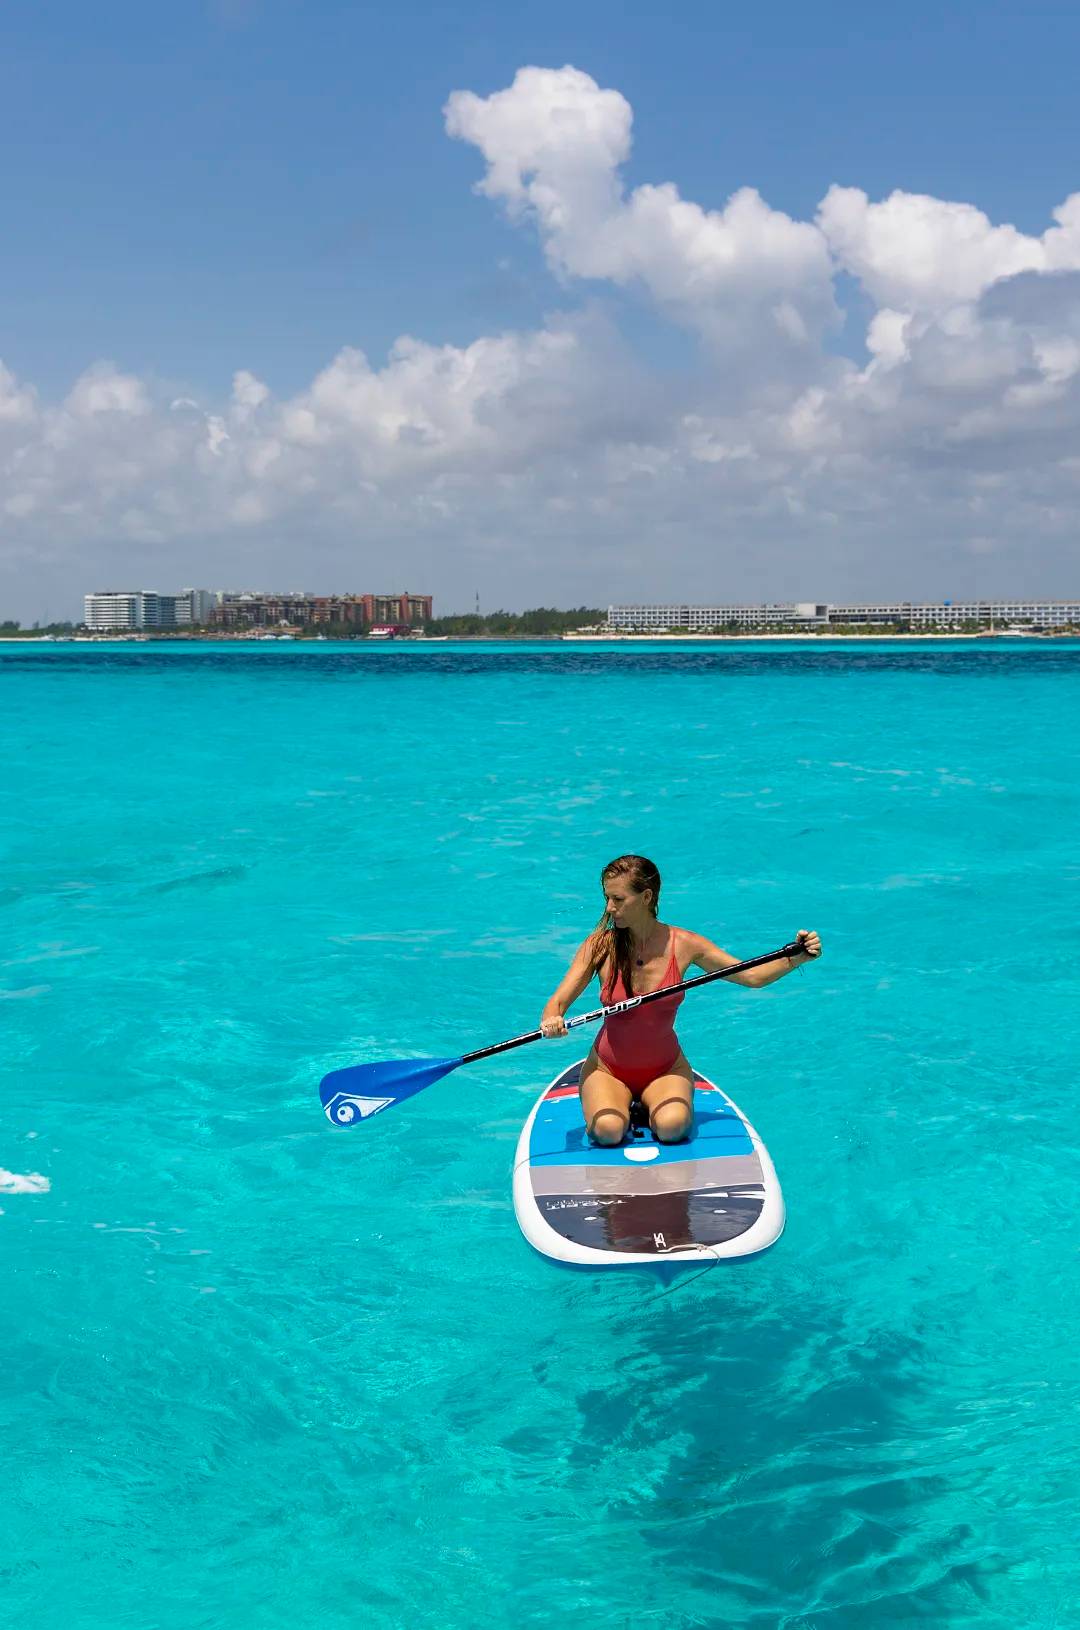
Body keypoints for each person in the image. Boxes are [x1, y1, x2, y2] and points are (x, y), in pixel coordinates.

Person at [540, 853, 821, 1147]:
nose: (610, 908)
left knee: (672, 1129)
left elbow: (751, 977)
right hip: (607, 1069)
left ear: (646, 896)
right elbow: (557, 1002)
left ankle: (645, 1107)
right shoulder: (601, 945)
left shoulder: (685, 945)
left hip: (664, 1068)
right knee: (607, 1131)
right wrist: (551, 1021)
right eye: (607, 898)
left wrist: (797, 957)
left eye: (619, 899)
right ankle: (621, 1108)